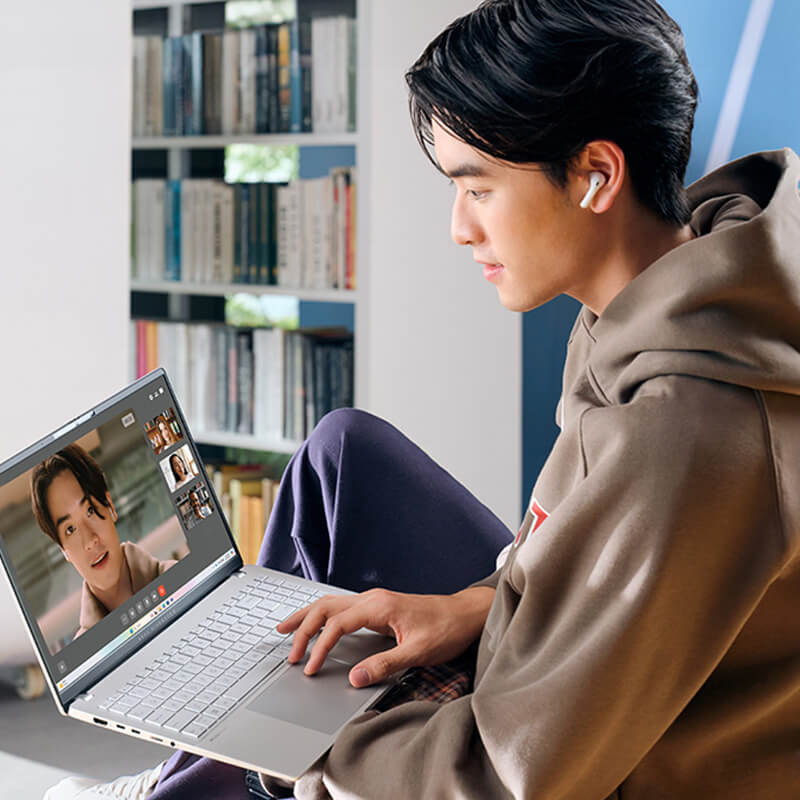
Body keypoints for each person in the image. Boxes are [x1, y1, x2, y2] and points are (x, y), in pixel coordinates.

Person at [47, 0, 800, 797]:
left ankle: (207, 774)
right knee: (344, 452)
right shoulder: (683, 283)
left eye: (477, 189)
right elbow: (577, 553)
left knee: (285, 731)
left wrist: (310, 744)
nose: (458, 228)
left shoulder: (682, 430)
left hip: (589, 768)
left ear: (596, 176)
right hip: (562, 672)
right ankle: (204, 765)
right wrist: (472, 606)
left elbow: (507, 779)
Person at [31, 444, 177, 637]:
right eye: (70, 529)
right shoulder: (83, 649)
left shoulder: (175, 578)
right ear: (63, 550)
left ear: (110, 508)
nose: (90, 541)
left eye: (90, 510)